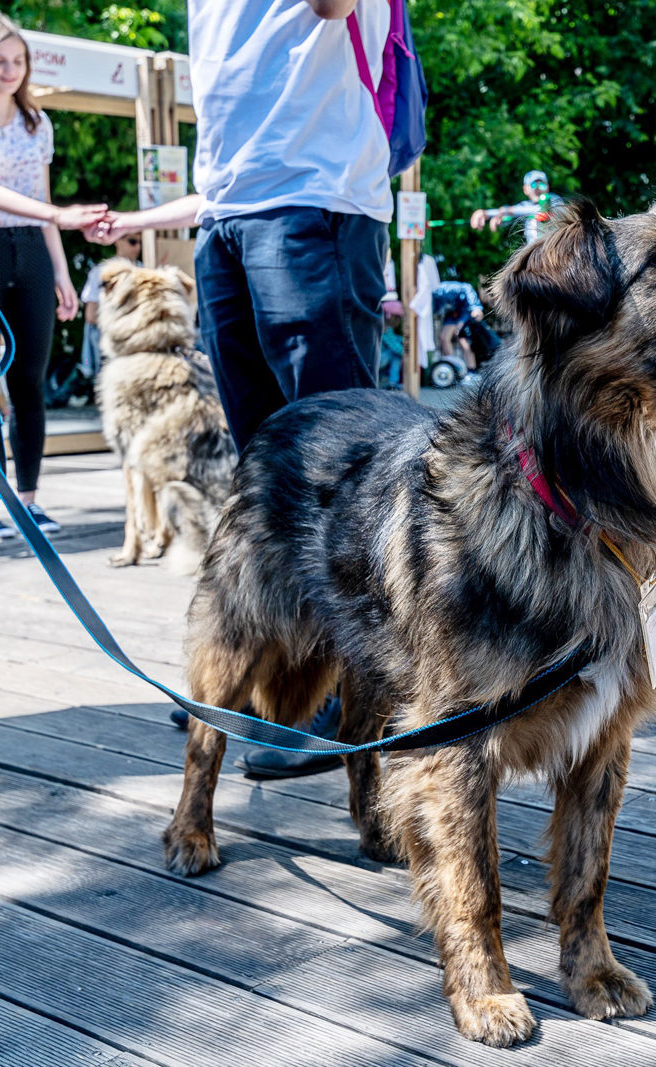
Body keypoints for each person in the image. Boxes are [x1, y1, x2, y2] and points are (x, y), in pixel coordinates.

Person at [90, 0, 397, 777]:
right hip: (227, 207)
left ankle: (343, 695)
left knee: (339, 474)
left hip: (313, 198)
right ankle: (271, 672)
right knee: (262, 473)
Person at [0, 12, 106, 540]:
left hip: (32, 249)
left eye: (19, 61)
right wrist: (58, 215)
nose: (11, 70)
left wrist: (61, 270)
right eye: (0, 60)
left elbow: (39, 200)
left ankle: (28, 501)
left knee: (29, 382)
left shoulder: (36, 122)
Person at [79, 231, 144, 379]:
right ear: (117, 241)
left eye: (140, 242)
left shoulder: (146, 270)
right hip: (110, 343)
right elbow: (91, 315)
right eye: (133, 241)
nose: (138, 247)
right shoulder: (101, 272)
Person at [470, 170, 559, 243]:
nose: (538, 188)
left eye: (542, 185)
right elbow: (515, 215)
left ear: (547, 187)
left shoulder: (555, 200)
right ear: (525, 189)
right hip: (535, 255)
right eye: (533, 185)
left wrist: (487, 213)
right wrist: (501, 219)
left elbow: (533, 210)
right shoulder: (524, 205)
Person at [432, 279, 484, 371]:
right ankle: (452, 367)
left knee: (463, 339)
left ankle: (471, 370)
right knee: (443, 338)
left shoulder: (441, 289)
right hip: (453, 314)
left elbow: (466, 287)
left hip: (465, 310)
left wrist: (475, 307)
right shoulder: (433, 297)